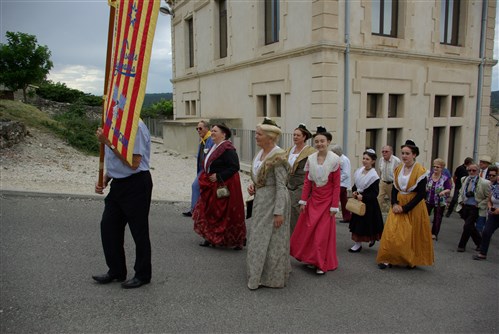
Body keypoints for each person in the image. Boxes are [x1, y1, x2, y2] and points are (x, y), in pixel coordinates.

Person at [92, 119, 153, 289]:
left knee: (138, 231)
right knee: (108, 226)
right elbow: (114, 160)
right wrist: (106, 178)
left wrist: (109, 143)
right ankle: (116, 270)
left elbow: (133, 163)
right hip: (118, 184)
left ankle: (142, 274)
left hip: (136, 183)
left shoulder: (136, 126)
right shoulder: (112, 124)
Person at [246, 117, 290, 290]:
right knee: (258, 237)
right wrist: (254, 186)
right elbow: (261, 177)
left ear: (270, 137)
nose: (256, 137)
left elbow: (281, 185)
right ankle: (257, 273)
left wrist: (279, 212)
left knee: (272, 240)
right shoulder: (261, 153)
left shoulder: (278, 157)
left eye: (259, 134)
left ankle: (270, 278)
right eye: (256, 133)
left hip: (273, 201)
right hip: (261, 200)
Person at [290, 127, 341, 275]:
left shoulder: (334, 160)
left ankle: (321, 263)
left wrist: (334, 206)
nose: (319, 144)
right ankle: (312, 259)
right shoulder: (311, 159)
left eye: (322, 141)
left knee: (321, 234)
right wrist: (303, 201)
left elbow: (337, 185)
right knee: (310, 231)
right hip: (314, 200)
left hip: (327, 202)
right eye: (317, 141)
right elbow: (307, 183)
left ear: (328, 142)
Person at [376, 140, 434, 269]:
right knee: (392, 232)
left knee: (411, 234)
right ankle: (388, 258)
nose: (404, 156)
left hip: (413, 206)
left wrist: (405, 208)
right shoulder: (398, 169)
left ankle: (410, 259)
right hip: (398, 204)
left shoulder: (420, 171)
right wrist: (395, 203)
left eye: (407, 153)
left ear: (414, 155)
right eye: (403, 153)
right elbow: (395, 188)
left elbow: (421, 194)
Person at [193, 124, 246, 249]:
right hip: (211, 183)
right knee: (208, 209)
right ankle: (209, 236)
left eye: (215, 131)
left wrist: (219, 176)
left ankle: (233, 239)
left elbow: (234, 167)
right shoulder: (215, 146)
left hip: (223, 184)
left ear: (223, 134)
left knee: (223, 213)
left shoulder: (227, 148)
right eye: (211, 131)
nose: (212, 133)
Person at [348, 149, 384, 252]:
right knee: (357, 225)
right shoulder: (359, 171)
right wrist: (354, 192)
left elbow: (374, 193)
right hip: (358, 202)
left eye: (367, 159)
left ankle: (371, 238)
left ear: (372, 161)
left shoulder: (374, 176)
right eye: (363, 158)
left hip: (369, 205)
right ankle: (357, 244)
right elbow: (356, 185)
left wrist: (363, 197)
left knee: (369, 224)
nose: (364, 161)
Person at [286, 124, 316, 233]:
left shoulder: (310, 151)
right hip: (289, 183)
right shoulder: (289, 150)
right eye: (294, 135)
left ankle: (297, 235)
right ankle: (288, 236)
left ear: (304, 137)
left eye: (298, 135)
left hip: (302, 184)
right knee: (286, 208)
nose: (295, 137)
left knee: (295, 207)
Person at [183, 121, 214, 217]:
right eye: (197, 128)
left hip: (206, 170)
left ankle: (195, 210)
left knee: (195, 186)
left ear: (206, 128)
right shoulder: (203, 140)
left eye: (200, 128)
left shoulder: (210, 140)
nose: (198, 130)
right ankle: (199, 209)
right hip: (201, 169)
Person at [456, 163, 489, 252]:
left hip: (475, 207)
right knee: (471, 227)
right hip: (464, 206)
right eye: (469, 170)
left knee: (467, 226)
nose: (471, 172)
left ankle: (461, 246)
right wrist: (460, 201)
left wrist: (479, 204)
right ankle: (480, 243)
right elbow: (460, 191)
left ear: (478, 171)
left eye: (474, 170)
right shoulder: (464, 179)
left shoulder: (484, 183)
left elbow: (488, 197)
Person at [473, 165, 499, 261]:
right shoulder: (494, 187)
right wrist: (490, 206)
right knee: (486, 232)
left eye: (494, 176)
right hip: (494, 214)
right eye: (490, 176)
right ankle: (483, 253)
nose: (491, 177)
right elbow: (489, 199)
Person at [425, 158, 452, 241]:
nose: (435, 168)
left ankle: (434, 233)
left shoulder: (445, 178)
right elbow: (425, 185)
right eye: (434, 166)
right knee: (425, 216)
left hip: (439, 201)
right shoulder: (429, 176)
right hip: (428, 200)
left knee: (437, 218)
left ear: (442, 168)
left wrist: (443, 192)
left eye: (438, 167)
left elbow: (449, 188)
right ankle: (424, 231)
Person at [331, 144, 352, 223]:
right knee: (344, 201)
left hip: (342, 184)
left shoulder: (344, 160)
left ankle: (345, 216)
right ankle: (347, 217)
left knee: (334, 198)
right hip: (341, 183)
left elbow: (345, 173)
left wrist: (337, 180)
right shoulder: (338, 158)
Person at [377, 145, 401, 212]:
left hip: (392, 184)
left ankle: (392, 218)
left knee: (393, 201)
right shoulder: (381, 160)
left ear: (391, 152)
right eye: (383, 151)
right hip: (382, 183)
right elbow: (380, 171)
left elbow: (399, 174)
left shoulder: (396, 161)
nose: (384, 153)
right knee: (378, 200)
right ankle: (375, 218)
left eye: (386, 151)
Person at [476, 155, 493, 232]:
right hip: (478, 195)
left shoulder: (490, 173)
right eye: (480, 162)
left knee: (484, 214)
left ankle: (482, 230)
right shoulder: (477, 171)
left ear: (487, 164)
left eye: (483, 162)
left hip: (487, 195)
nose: (480, 164)